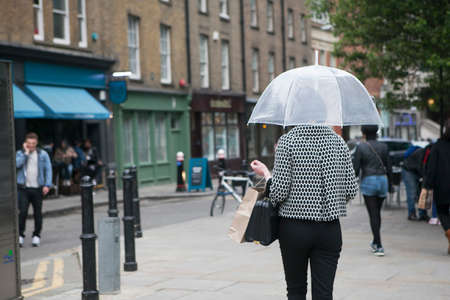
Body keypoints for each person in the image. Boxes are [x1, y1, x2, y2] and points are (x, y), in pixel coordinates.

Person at [251, 125, 357, 300]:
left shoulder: (287, 141)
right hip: (329, 228)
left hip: (294, 228)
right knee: (324, 294)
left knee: (295, 291)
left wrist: (266, 175)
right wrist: (329, 202)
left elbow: (279, 192)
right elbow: (351, 190)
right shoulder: (338, 142)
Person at [352, 125, 392, 256]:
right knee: (377, 213)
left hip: (369, 180)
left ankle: (379, 245)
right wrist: (390, 185)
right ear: (376, 132)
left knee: (373, 214)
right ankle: (375, 241)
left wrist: (352, 185)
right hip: (382, 180)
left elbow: (356, 168)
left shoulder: (361, 147)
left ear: (363, 132)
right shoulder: (384, 146)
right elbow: (389, 167)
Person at [16, 132, 52, 247]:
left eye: (33, 143)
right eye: (29, 143)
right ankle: (20, 235)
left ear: (36, 143)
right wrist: (26, 153)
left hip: (37, 189)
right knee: (22, 213)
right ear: (25, 143)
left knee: (38, 213)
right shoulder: (20, 154)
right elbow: (17, 165)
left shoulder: (43, 154)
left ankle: (36, 235)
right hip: (23, 189)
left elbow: (48, 169)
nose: (31, 145)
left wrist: (47, 184)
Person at [424, 120, 450, 254]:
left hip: (443, 186)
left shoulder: (438, 146)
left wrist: (427, 185)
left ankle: (449, 232)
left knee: (442, 212)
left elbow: (431, 168)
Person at [402, 145, 430, 221]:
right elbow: (422, 168)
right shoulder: (423, 153)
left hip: (417, 172)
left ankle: (423, 213)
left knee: (421, 192)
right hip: (408, 170)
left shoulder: (429, 154)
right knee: (412, 193)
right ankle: (411, 214)